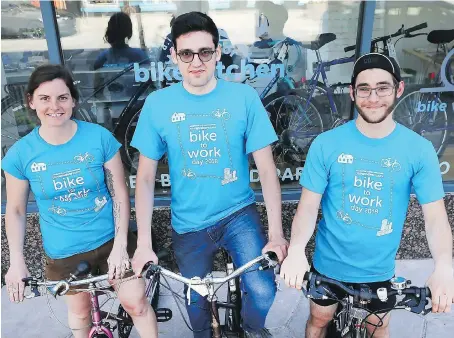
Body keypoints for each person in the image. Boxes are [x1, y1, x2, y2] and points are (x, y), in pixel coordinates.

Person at [130, 11, 288, 338]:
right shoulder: (158, 104)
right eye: (186, 53)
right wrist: (143, 244)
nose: (196, 61)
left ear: (217, 53)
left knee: (262, 290)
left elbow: (268, 169)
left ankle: (250, 330)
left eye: (205, 52)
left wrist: (276, 233)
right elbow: (144, 179)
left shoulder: (243, 98)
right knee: (198, 311)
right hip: (188, 223)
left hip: (237, 214)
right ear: (174, 56)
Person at [280, 53, 454, 338]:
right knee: (319, 319)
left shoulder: (419, 150)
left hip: (379, 269)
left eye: (383, 87)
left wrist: (445, 266)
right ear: (352, 92)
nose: (373, 97)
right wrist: (297, 250)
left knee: (378, 326)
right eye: (364, 88)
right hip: (328, 265)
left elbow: (435, 216)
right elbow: (308, 207)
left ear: (398, 89)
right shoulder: (326, 144)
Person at [2, 65, 158, 338]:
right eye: (45, 98)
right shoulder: (20, 154)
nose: (55, 106)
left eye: (62, 97)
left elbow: (119, 192)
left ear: (73, 100)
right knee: (80, 314)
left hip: (111, 239)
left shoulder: (99, 138)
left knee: (137, 304)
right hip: (65, 252)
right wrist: (16, 261)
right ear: (31, 101)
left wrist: (121, 245)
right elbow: (14, 210)